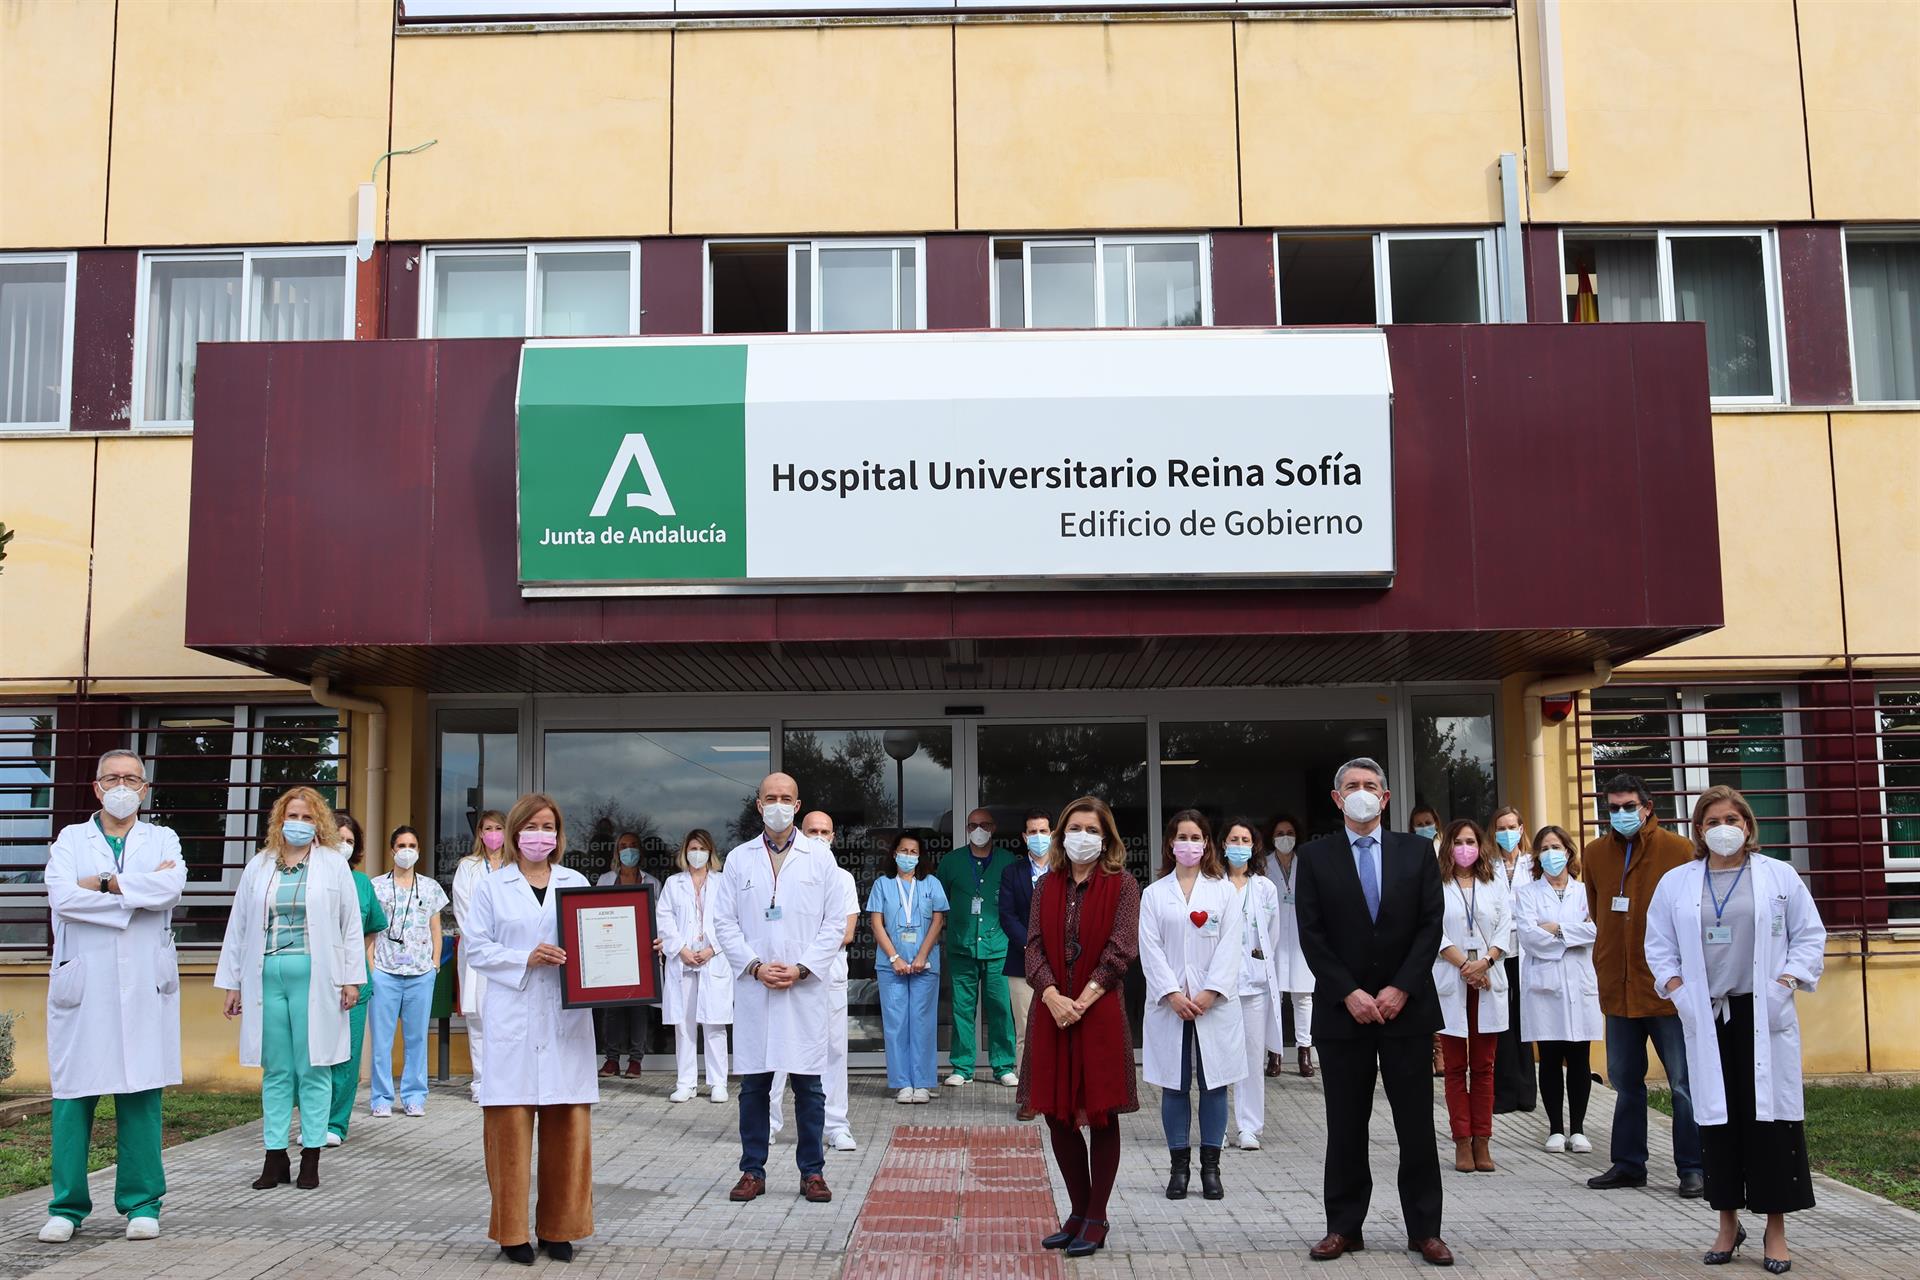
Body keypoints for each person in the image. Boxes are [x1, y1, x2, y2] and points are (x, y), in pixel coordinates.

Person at [1645, 786, 1825, 1275]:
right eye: (1711, 819)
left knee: (1769, 1122)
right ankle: (1727, 1224)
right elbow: (1658, 946)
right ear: (1698, 829)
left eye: (1732, 817)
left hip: (1763, 1013)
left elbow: (1809, 935)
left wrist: (1786, 980)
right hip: (1707, 1017)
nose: (1723, 826)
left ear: (1747, 825)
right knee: (1717, 1122)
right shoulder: (1677, 883)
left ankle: (1775, 1229)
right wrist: (1679, 990)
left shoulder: (1779, 876)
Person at [1294, 758, 1451, 1266]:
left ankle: (1425, 1231)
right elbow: (1311, 935)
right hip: (1345, 1014)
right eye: (1351, 787)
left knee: (1416, 1127)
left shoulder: (1417, 851)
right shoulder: (1315, 858)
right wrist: (1349, 993)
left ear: (1385, 798)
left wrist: (1401, 988)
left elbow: (1431, 926)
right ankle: (1343, 1227)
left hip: (1407, 1010)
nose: (1361, 793)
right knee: (1345, 1126)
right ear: (1337, 799)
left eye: (1370, 786)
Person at [38, 749, 185, 1245]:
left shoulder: (162, 837)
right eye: (112, 778)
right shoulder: (70, 839)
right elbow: (62, 896)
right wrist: (131, 898)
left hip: (144, 981)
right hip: (85, 982)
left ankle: (142, 1204)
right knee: (73, 1096)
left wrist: (102, 884)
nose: (122, 786)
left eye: (132, 779)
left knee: (141, 1092)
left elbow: (169, 889)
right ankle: (66, 1206)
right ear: (97, 787)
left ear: (145, 789)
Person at [465, 793, 597, 1265]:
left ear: (559, 835)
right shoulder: (491, 886)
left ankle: (560, 1229)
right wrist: (524, 956)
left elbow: (599, 939)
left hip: (566, 1020)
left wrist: (636, 946)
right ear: (516, 832)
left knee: (567, 1131)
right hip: (513, 1016)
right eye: (533, 826)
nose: (541, 835)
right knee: (510, 1134)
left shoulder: (575, 882)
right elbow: (476, 948)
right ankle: (512, 1232)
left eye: (550, 827)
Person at [214, 787, 365, 1192]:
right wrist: (232, 982)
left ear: (319, 824)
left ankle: (311, 1155)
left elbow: (350, 924)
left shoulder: (333, 865)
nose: (297, 824)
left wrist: (352, 978)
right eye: (291, 816)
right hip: (266, 975)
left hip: (316, 975)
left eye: (306, 818)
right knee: (277, 1069)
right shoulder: (259, 866)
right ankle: (274, 1156)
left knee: (313, 1066)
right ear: (279, 820)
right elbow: (239, 925)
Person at [711, 772, 843, 1205]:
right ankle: (752, 1170)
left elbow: (834, 923)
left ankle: (812, 1173)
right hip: (757, 987)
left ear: (798, 805)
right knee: (754, 1086)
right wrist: (754, 966)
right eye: (771, 797)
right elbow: (724, 922)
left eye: (786, 798)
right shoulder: (739, 859)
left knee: (809, 1087)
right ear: (758, 804)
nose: (779, 805)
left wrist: (803, 968)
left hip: (803, 990)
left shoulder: (820, 859)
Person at [1021, 797, 1140, 1259]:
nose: (1082, 836)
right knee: (1056, 1112)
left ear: (1106, 837)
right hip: (1052, 1011)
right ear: (1060, 835)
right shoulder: (1046, 885)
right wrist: (1052, 996)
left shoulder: (1123, 885)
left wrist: (1083, 1000)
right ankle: (1076, 1212)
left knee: (1101, 1111)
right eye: (1074, 828)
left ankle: (1097, 1214)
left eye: (1092, 829)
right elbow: (1032, 947)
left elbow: (1121, 948)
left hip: (1099, 1013)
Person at [1582, 772, 1704, 1197]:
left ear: (1647, 808)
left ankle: (1693, 1167)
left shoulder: (1680, 850)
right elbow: (1598, 913)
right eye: (1613, 808)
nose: (1620, 814)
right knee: (1625, 1083)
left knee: (1683, 1085)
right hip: (1618, 989)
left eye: (1628, 806)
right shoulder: (1595, 854)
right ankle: (1629, 1164)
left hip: (1668, 991)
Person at [1142, 811, 1244, 1202]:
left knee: (1214, 1083)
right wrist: (1171, 993)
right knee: (1175, 1085)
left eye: (1196, 837)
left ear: (1207, 844)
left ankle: (1212, 1170)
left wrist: (1209, 992)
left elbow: (1230, 947)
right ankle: (1179, 1169)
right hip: (1170, 1005)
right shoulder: (1154, 894)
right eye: (1181, 836)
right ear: (1170, 843)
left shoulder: (1223, 892)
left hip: (1212, 1004)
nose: (1189, 844)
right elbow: (1149, 949)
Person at [1514, 824, 1601, 1153]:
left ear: (1568, 850)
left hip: (1579, 981)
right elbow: (1530, 938)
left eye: (1557, 846)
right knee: (1549, 1056)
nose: (1552, 853)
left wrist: (1559, 929)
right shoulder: (1528, 893)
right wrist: (1572, 936)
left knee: (1579, 1055)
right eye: (1545, 848)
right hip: (1545, 983)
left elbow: (1596, 930)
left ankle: (1578, 1129)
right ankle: (1555, 1128)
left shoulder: (1584, 892)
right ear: (1537, 855)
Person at [1433, 819, 1510, 1174]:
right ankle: (1461, 1141)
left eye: (1471, 841)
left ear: (1481, 846)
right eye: (1458, 842)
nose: (1465, 848)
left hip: (1487, 977)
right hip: (1453, 976)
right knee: (1454, 1068)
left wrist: (1486, 962)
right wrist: (1466, 965)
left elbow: (1506, 925)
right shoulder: (1436, 883)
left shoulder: (1494, 882)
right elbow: (1431, 928)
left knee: (1484, 1067)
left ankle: (1483, 1140)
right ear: (1448, 846)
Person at [935, 808, 1020, 1088]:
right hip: (962, 947)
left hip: (999, 948)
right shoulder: (951, 862)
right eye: (973, 825)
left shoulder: (1009, 862)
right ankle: (962, 1066)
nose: (979, 829)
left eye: (984, 825)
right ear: (967, 829)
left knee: (1000, 1009)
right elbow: (937, 902)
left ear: (993, 828)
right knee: (961, 1008)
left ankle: (1004, 1066)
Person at [368, 825, 448, 1119]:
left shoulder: (430, 887)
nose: (406, 850)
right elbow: (370, 931)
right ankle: (381, 1097)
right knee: (382, 1041)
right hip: (385, 973)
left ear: (419, 850)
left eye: (412, 845)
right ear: (392, 850)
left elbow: (436, 928)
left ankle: (414, 1096)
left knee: (417, 1039)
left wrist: (435, 962)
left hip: (419, 973)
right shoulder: (376, 886)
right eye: (401, 845)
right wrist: (372, 968)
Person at [869, 830, 948, 1104]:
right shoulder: (882, 884)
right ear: (894, 854)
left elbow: (938, 922)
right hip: (891, 965)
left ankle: (924, 1082)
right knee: (896, 1023)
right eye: (904, 851)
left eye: (914, 852)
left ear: (920, 856)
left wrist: (921, 956)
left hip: (925, 964)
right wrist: (895, 958)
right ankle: (902, 1083)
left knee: (923, 1023)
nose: (908, 856)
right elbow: (876, 924)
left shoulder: (932, 884)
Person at [324, 814, 387, 1146]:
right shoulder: (312, 877)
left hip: (354, 982)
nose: (343, 845)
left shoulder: (362, 883)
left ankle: (336, 1124)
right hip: (316, 978)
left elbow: (374, 925)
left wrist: (359, 959)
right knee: (316, 1055)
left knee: (347, 1056)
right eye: (337, 838)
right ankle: (313, 1117)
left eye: (349, 841)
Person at [658, 829, 731, 1104]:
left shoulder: (723, 883)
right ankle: (686, 1083)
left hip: (713, 959)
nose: (696, 853)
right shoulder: (673, 884)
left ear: (710, 852)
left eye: (701, 848)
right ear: (684, 851)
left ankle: (718, 1082)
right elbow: (663, 919)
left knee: (714, 1024)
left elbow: (732, 919)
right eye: (692, 848)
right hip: (683, 960)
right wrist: (681, 950)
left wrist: (713, 948)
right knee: (684, 1025)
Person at [1221, 819, 1282, 1150]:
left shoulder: (1265, 888)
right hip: (1219, 986)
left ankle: (1249, 1127)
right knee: (1218, 1057)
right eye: (1233, 839)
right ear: (1223, 844)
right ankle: (1217, 1125)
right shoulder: (1213, 883)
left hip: (1255, 984)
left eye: (1245, 839)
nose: (1239, 844)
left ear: (1254, 846)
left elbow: (1271, 938)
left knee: (1252, 1057)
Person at [452, 809, 509, 1103]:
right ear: (480, 833)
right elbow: (463, 909)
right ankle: (481, 1081)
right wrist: (484, 940)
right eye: (488, 828)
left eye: (499, 827)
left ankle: (506, 1080)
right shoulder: (468, 867)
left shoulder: (516, 865)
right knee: (477, 1018)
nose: (494, 834)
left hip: (509, 951)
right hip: (477, 951)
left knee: (507, 1017)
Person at [999, 807, 1052, 1118]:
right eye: (1032, 832)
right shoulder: (1013, 873)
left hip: (1061, 963)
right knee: (1026, 1032)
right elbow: (1007, 916)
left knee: (1061, 1030)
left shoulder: (1064, 869)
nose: (1038, 837)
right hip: (1022, 963)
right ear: (1023, 837)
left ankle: (1058, 1095)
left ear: (1053, 834)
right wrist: (1032, 946)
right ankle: (1029, 1095)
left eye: (1043, 831)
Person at [595, 830, 661, 1078]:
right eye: (623, 846)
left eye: (633, 845)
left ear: (640, 850)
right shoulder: (605, 880)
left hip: (640, 953)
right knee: (613, 1007)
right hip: (611, 951)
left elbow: (659, 920)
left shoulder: (653, 883)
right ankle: (611, 1059)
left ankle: (636, 1060)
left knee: (638, 1007)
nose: (628, 850)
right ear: (616, 851)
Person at [1486, 806, 1536, 1115]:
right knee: (1501, 1020)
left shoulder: (1534, 864)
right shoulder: (1488, 866)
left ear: (1521, 828)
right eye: (1501, 828)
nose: (1507, 833)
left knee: (1525, 1021)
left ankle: (1527, 1092)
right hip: (1499, 951)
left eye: (1511, 826)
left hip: (1529, 949)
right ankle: (1504, 1093)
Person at [1263, 812, 1314, 1079]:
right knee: (1274, 998)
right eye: (1280, 833)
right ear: (1272, 837)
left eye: (1289, 833)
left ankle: (1304, 1051)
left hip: (1301, 937)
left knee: (1303, 996)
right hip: (1273, 938)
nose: (1285, 838)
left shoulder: (1307, 864)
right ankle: (1275, 1053)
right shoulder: (1263, 865)